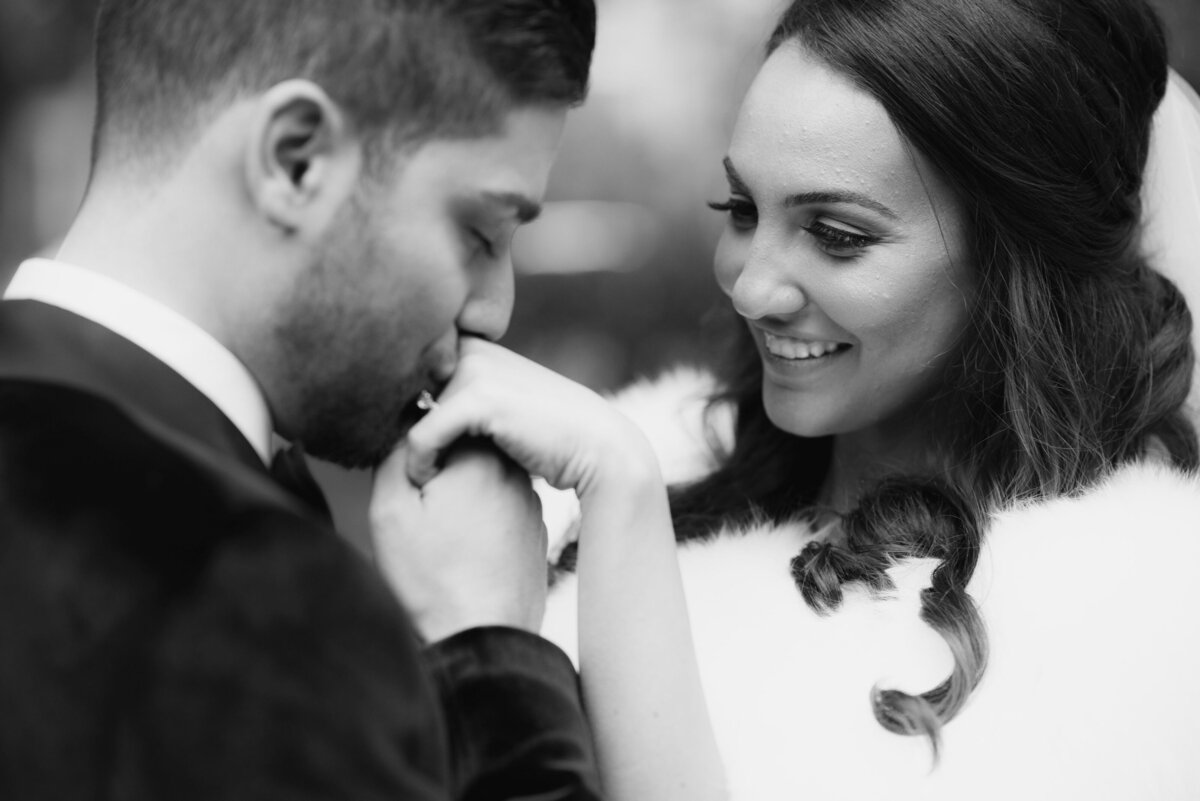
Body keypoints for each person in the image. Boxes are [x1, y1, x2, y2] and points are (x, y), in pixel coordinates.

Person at [403, 0, 1200, 798]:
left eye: (839, 236)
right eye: (742, 211)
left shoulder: (1133, 621)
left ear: (1017, 255)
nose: (751, 288)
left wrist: (621, 497)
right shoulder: (633, 464)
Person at [0, 1, 611, 798]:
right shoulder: (250, 595)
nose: (492, 312)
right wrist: (491, 655)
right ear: (296, 159)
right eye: (481, 233)